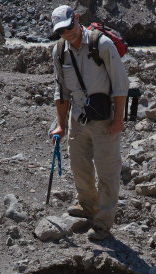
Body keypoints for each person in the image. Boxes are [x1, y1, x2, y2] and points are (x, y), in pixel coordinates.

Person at [49, 5, 129, 241]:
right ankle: (87, 206)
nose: (67, 33)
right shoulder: (59, 50)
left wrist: (118, 120)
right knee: (79, 165)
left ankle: (103, 223)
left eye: (69, 27)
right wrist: (61, 125)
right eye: (61, 31)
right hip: (78, 118)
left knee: (107, 170)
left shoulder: (101, 44)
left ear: (76, 19)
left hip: (105, 119)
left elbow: (120, 84)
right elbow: (61, 91)